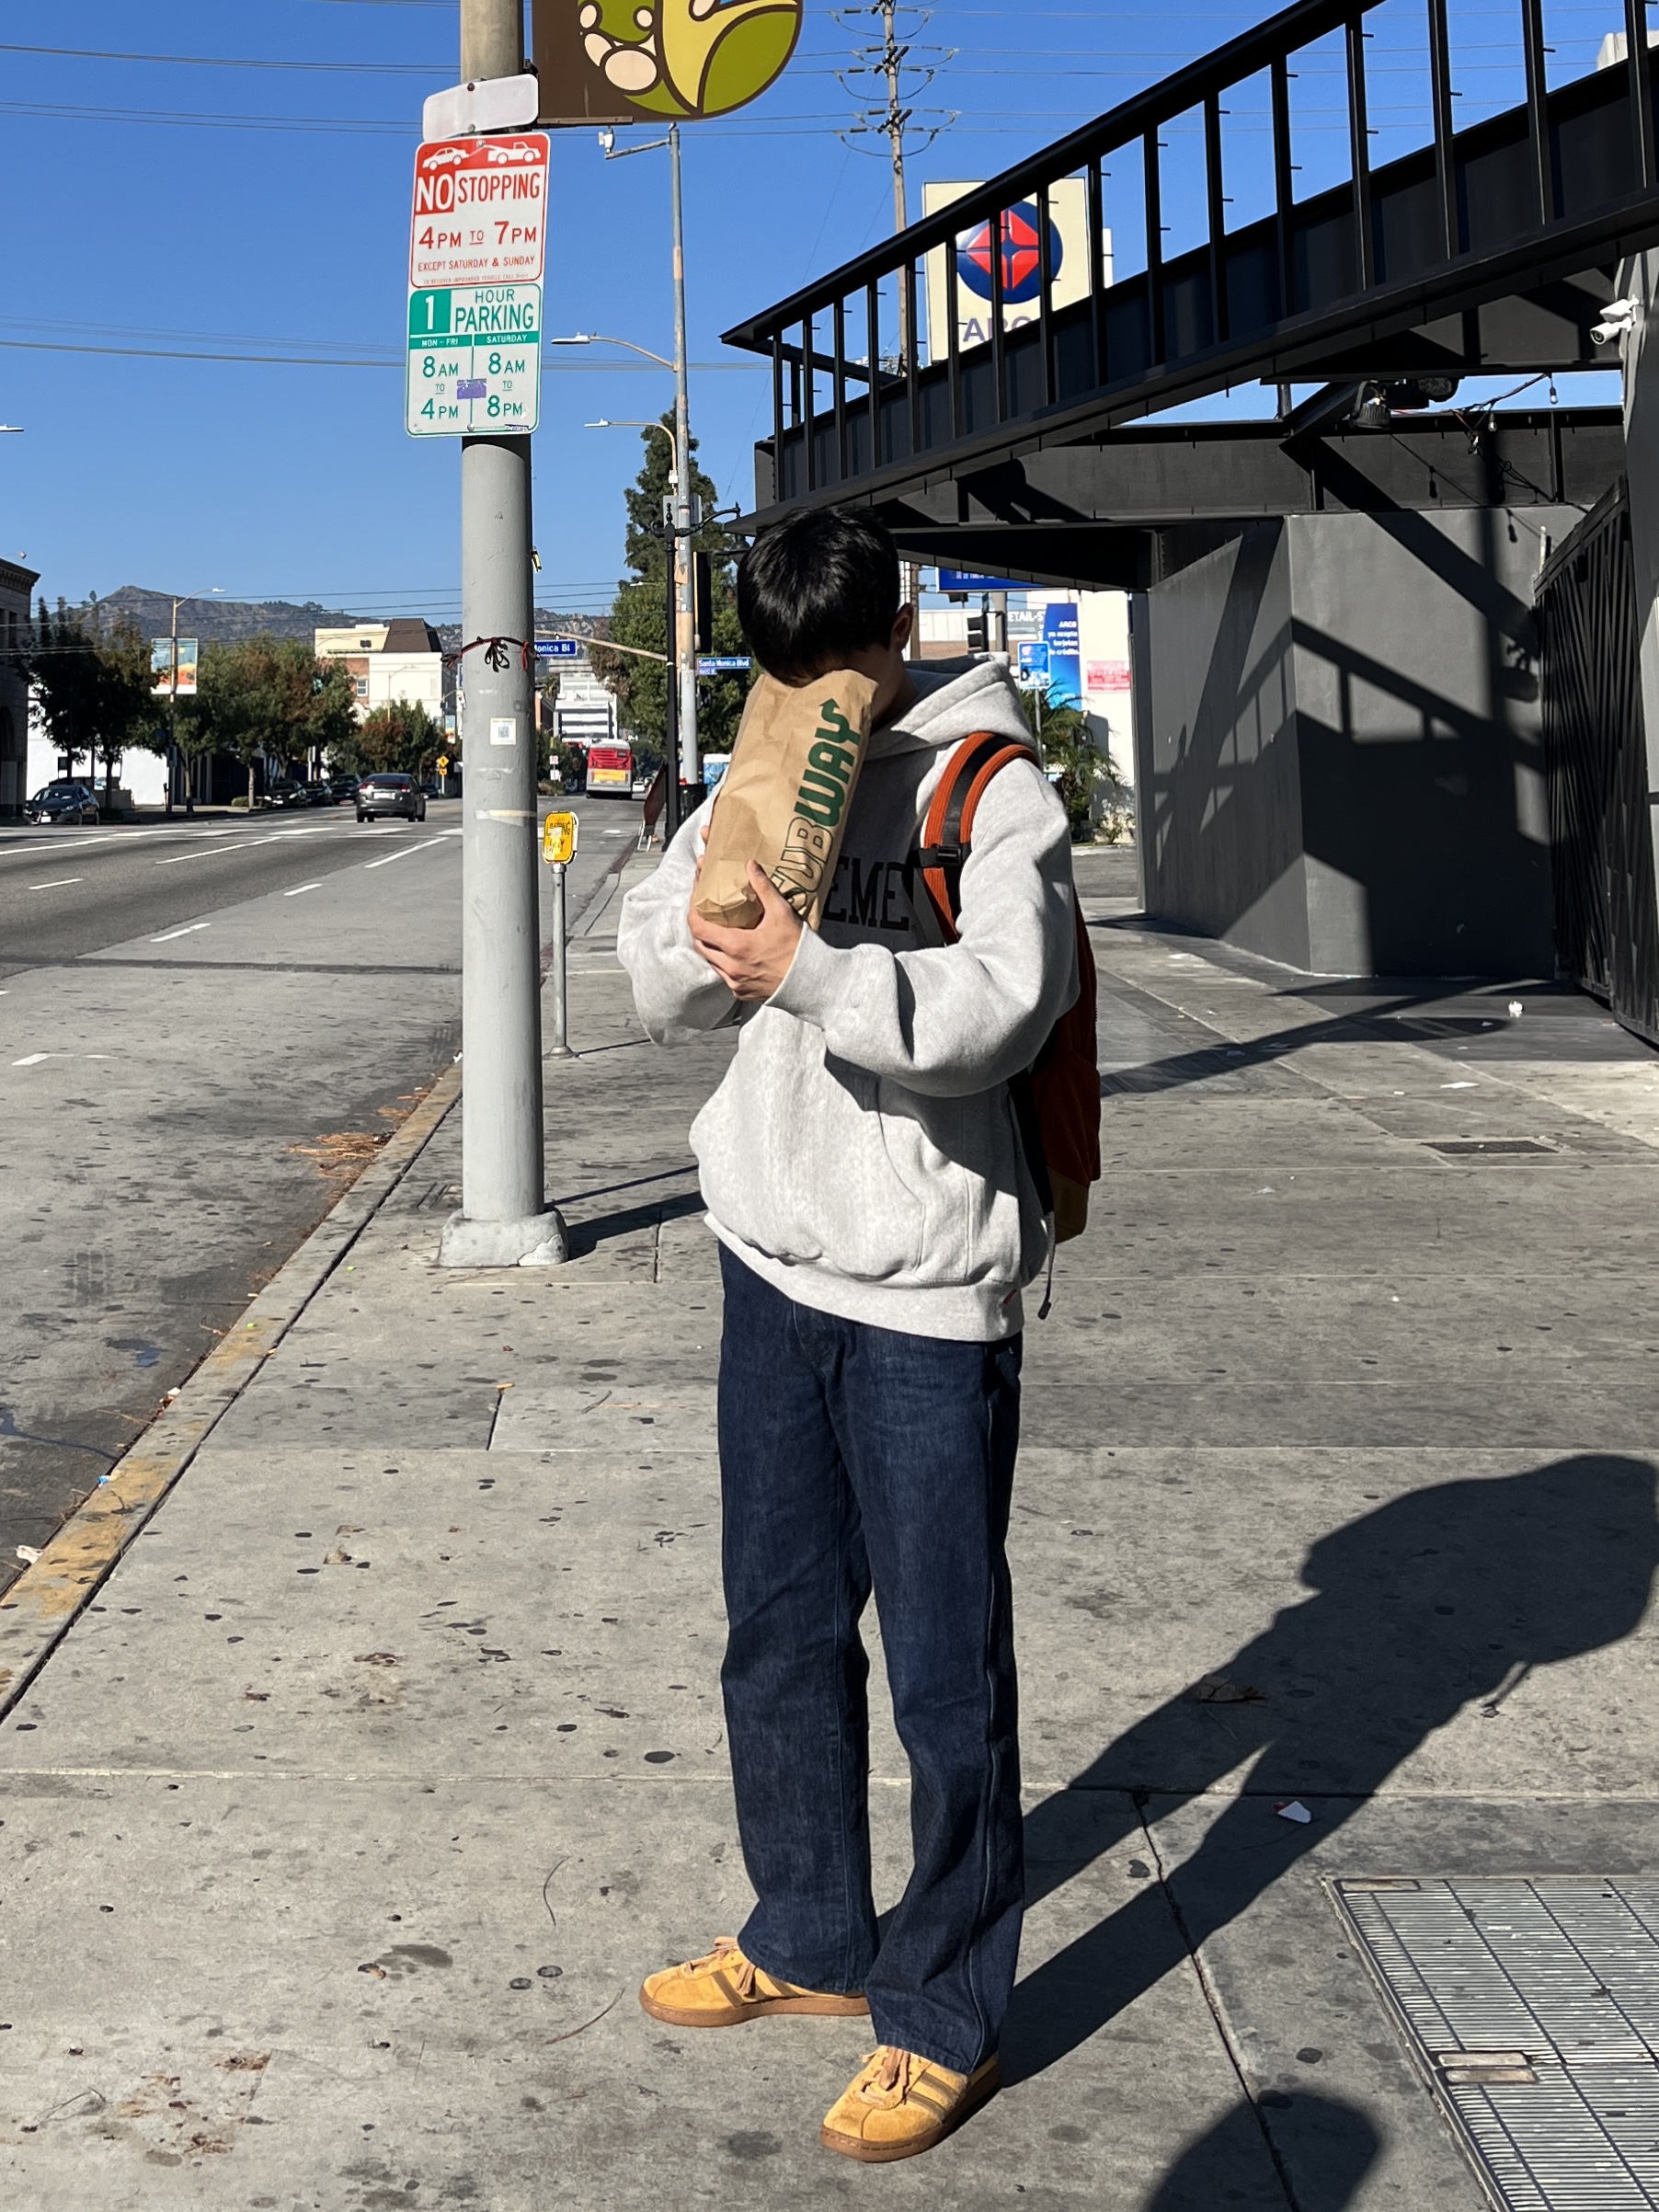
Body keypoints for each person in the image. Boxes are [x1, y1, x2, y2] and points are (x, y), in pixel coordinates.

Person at [616, 506, 1078, 2163]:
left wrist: (811, 971)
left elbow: (992, 1017)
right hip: (768, 1257)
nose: (817, 692)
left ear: (893, 638)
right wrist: (709, 921)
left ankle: (943, 2007)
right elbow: (650, 984)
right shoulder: (755, 758)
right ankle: (810, 1925)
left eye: (838, 661)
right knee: (781, 1631)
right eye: (784, 666)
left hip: (925, 1292)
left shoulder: (987, 789)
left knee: (948, 1674)